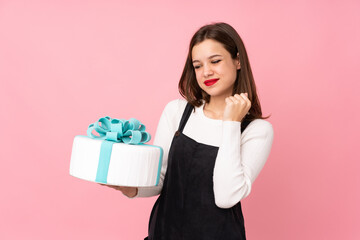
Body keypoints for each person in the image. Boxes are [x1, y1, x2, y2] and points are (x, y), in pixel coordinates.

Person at [102, 22, 274, 240]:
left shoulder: (257, 130)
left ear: (238, 60)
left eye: (215, 61)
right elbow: (161, 179)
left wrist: (231, 123)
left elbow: (226, 196)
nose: (206, 72)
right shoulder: (177, 112)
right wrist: (129, 189)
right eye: (198, 65)